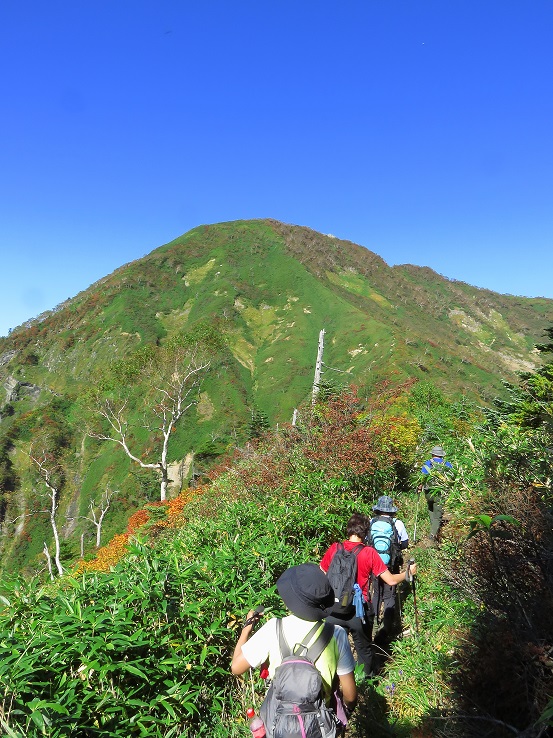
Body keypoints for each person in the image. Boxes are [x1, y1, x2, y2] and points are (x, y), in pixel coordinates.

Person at [231, 563, 358, 719]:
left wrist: (247, 629)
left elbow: (236, 667)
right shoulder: (336, 634)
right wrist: (344, 712)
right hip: (319, 722)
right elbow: (350, 696)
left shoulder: (273, 628)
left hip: (279, 721)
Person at [320, 513, 417, 676]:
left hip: (333, 609)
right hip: (358, 611)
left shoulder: (334, 548)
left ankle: (337, 686)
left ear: (348, 529)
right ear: (366, 532)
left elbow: (321, 573)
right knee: (364, 651)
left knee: (333, 653)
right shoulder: (369, 553)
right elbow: (391, 580)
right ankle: (366, 687)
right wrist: (408, 573)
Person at [368, 496, 409, 637]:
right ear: (391, 510)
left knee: (376, 593)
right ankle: (386, 627)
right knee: (389, 594)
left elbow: (368, 542)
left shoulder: (371, 521)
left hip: (374, 564)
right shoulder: (397, 523)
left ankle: (373, 624)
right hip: (391, 565)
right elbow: (405, 543)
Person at [419, 445, 454, 543]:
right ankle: (433, 535)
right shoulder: (447, 464)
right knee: (438, 515)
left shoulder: (427, 464)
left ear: (433, 454)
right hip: (439, 492)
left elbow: (422, 478)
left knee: (431, 509)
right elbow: (452, 478)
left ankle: (434, 528)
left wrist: (419, 488)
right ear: (441, 455)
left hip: (428, 492)